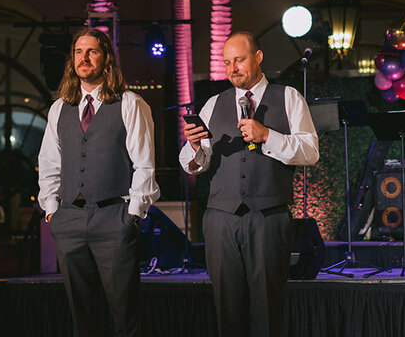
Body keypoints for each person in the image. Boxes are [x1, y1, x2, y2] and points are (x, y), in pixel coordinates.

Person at [180, 31, 319, 337]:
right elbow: (194, 163)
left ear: (258, 58)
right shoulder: (213, 104)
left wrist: (268, 135)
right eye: (227, 62)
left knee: (267, 310)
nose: (233, 69)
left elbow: (310, 152)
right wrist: (193, 147)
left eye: (239, 60)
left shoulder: (289, 97)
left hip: (268, 218)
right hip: (220, 220)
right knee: (227, 310)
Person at [37, 27, 159, 337]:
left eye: (91, 51)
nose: (84, 58)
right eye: (78, 52)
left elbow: (144, 163)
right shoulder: (59, 107)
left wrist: (132, 214)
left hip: (112, 219)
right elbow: (49, 164)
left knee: (124, 316)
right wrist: (52, 210)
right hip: (69, 220)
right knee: (83, 318)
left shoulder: (129, 103)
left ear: (105, 58)